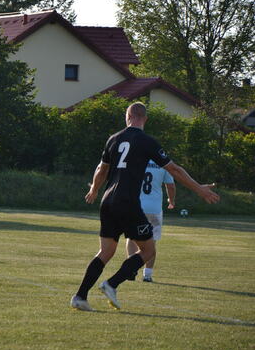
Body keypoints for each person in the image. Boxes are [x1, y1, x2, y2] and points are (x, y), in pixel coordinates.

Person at [70, 102, 219, 312]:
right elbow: (174, 170)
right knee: (148, 250)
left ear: (127, 116)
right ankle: (111, 284)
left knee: (105, 251)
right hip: (128, 202)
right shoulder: (147, 141)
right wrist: (199, 189)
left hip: (108, 201)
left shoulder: (113, 138)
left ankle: (80, 296)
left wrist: (94, 189)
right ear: (145, 119)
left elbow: (101, 169)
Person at [126, 159, 176, 282]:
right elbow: (170, 185)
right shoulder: (163, 162)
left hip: (136, 206)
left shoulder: (136, 159)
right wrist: (171, 200)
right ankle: (147, 275)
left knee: (132, 238)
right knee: (152, 241)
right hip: (154, 209)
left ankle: (131, 270)